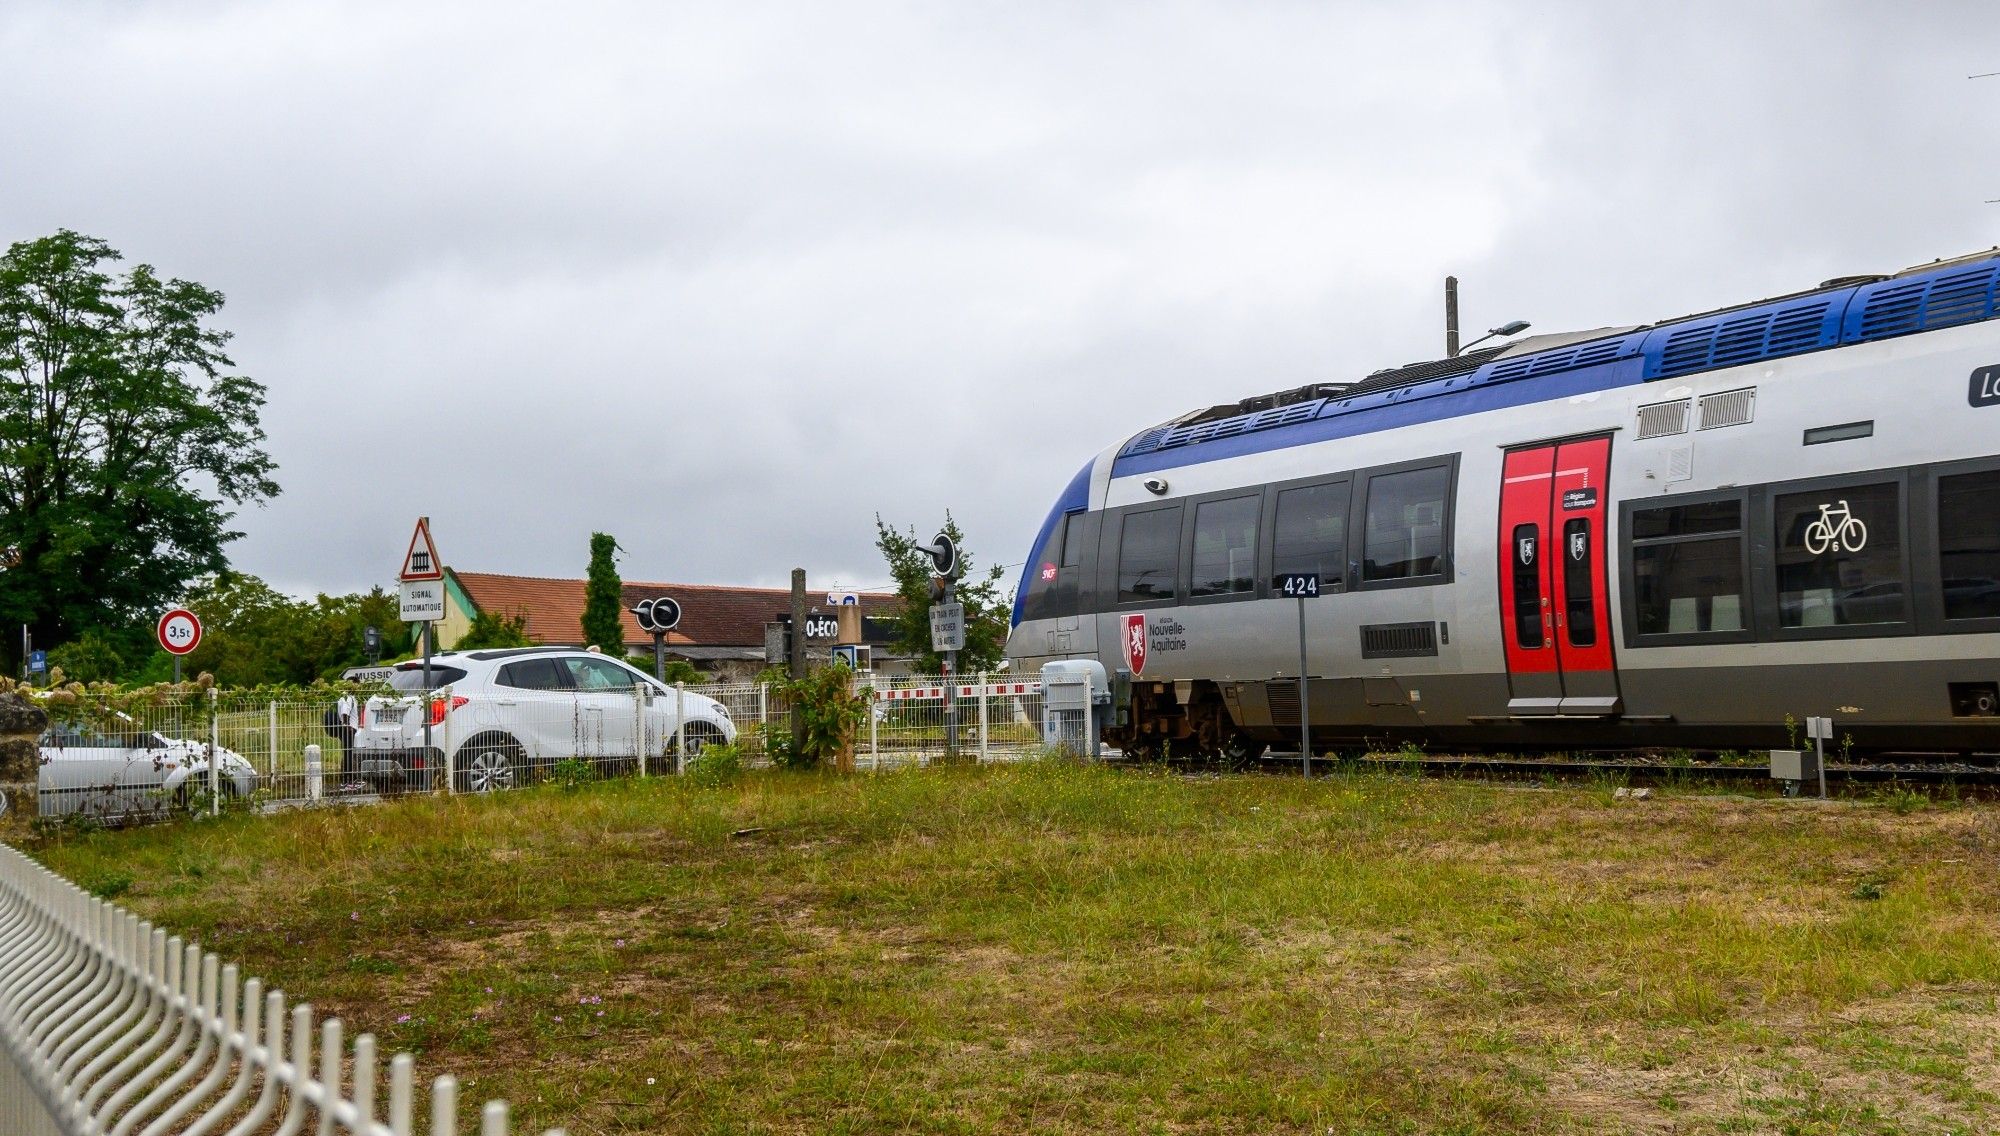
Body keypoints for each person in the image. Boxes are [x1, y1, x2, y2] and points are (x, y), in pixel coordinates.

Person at [322, 693, 360, 792]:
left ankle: (348, 781)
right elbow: (344, 712)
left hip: (344, 729)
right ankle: (348, 783)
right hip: (348, 729)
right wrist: (347, 725)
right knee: (348, 754)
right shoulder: (349, 698)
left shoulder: (342, 697)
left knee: (347, 754)